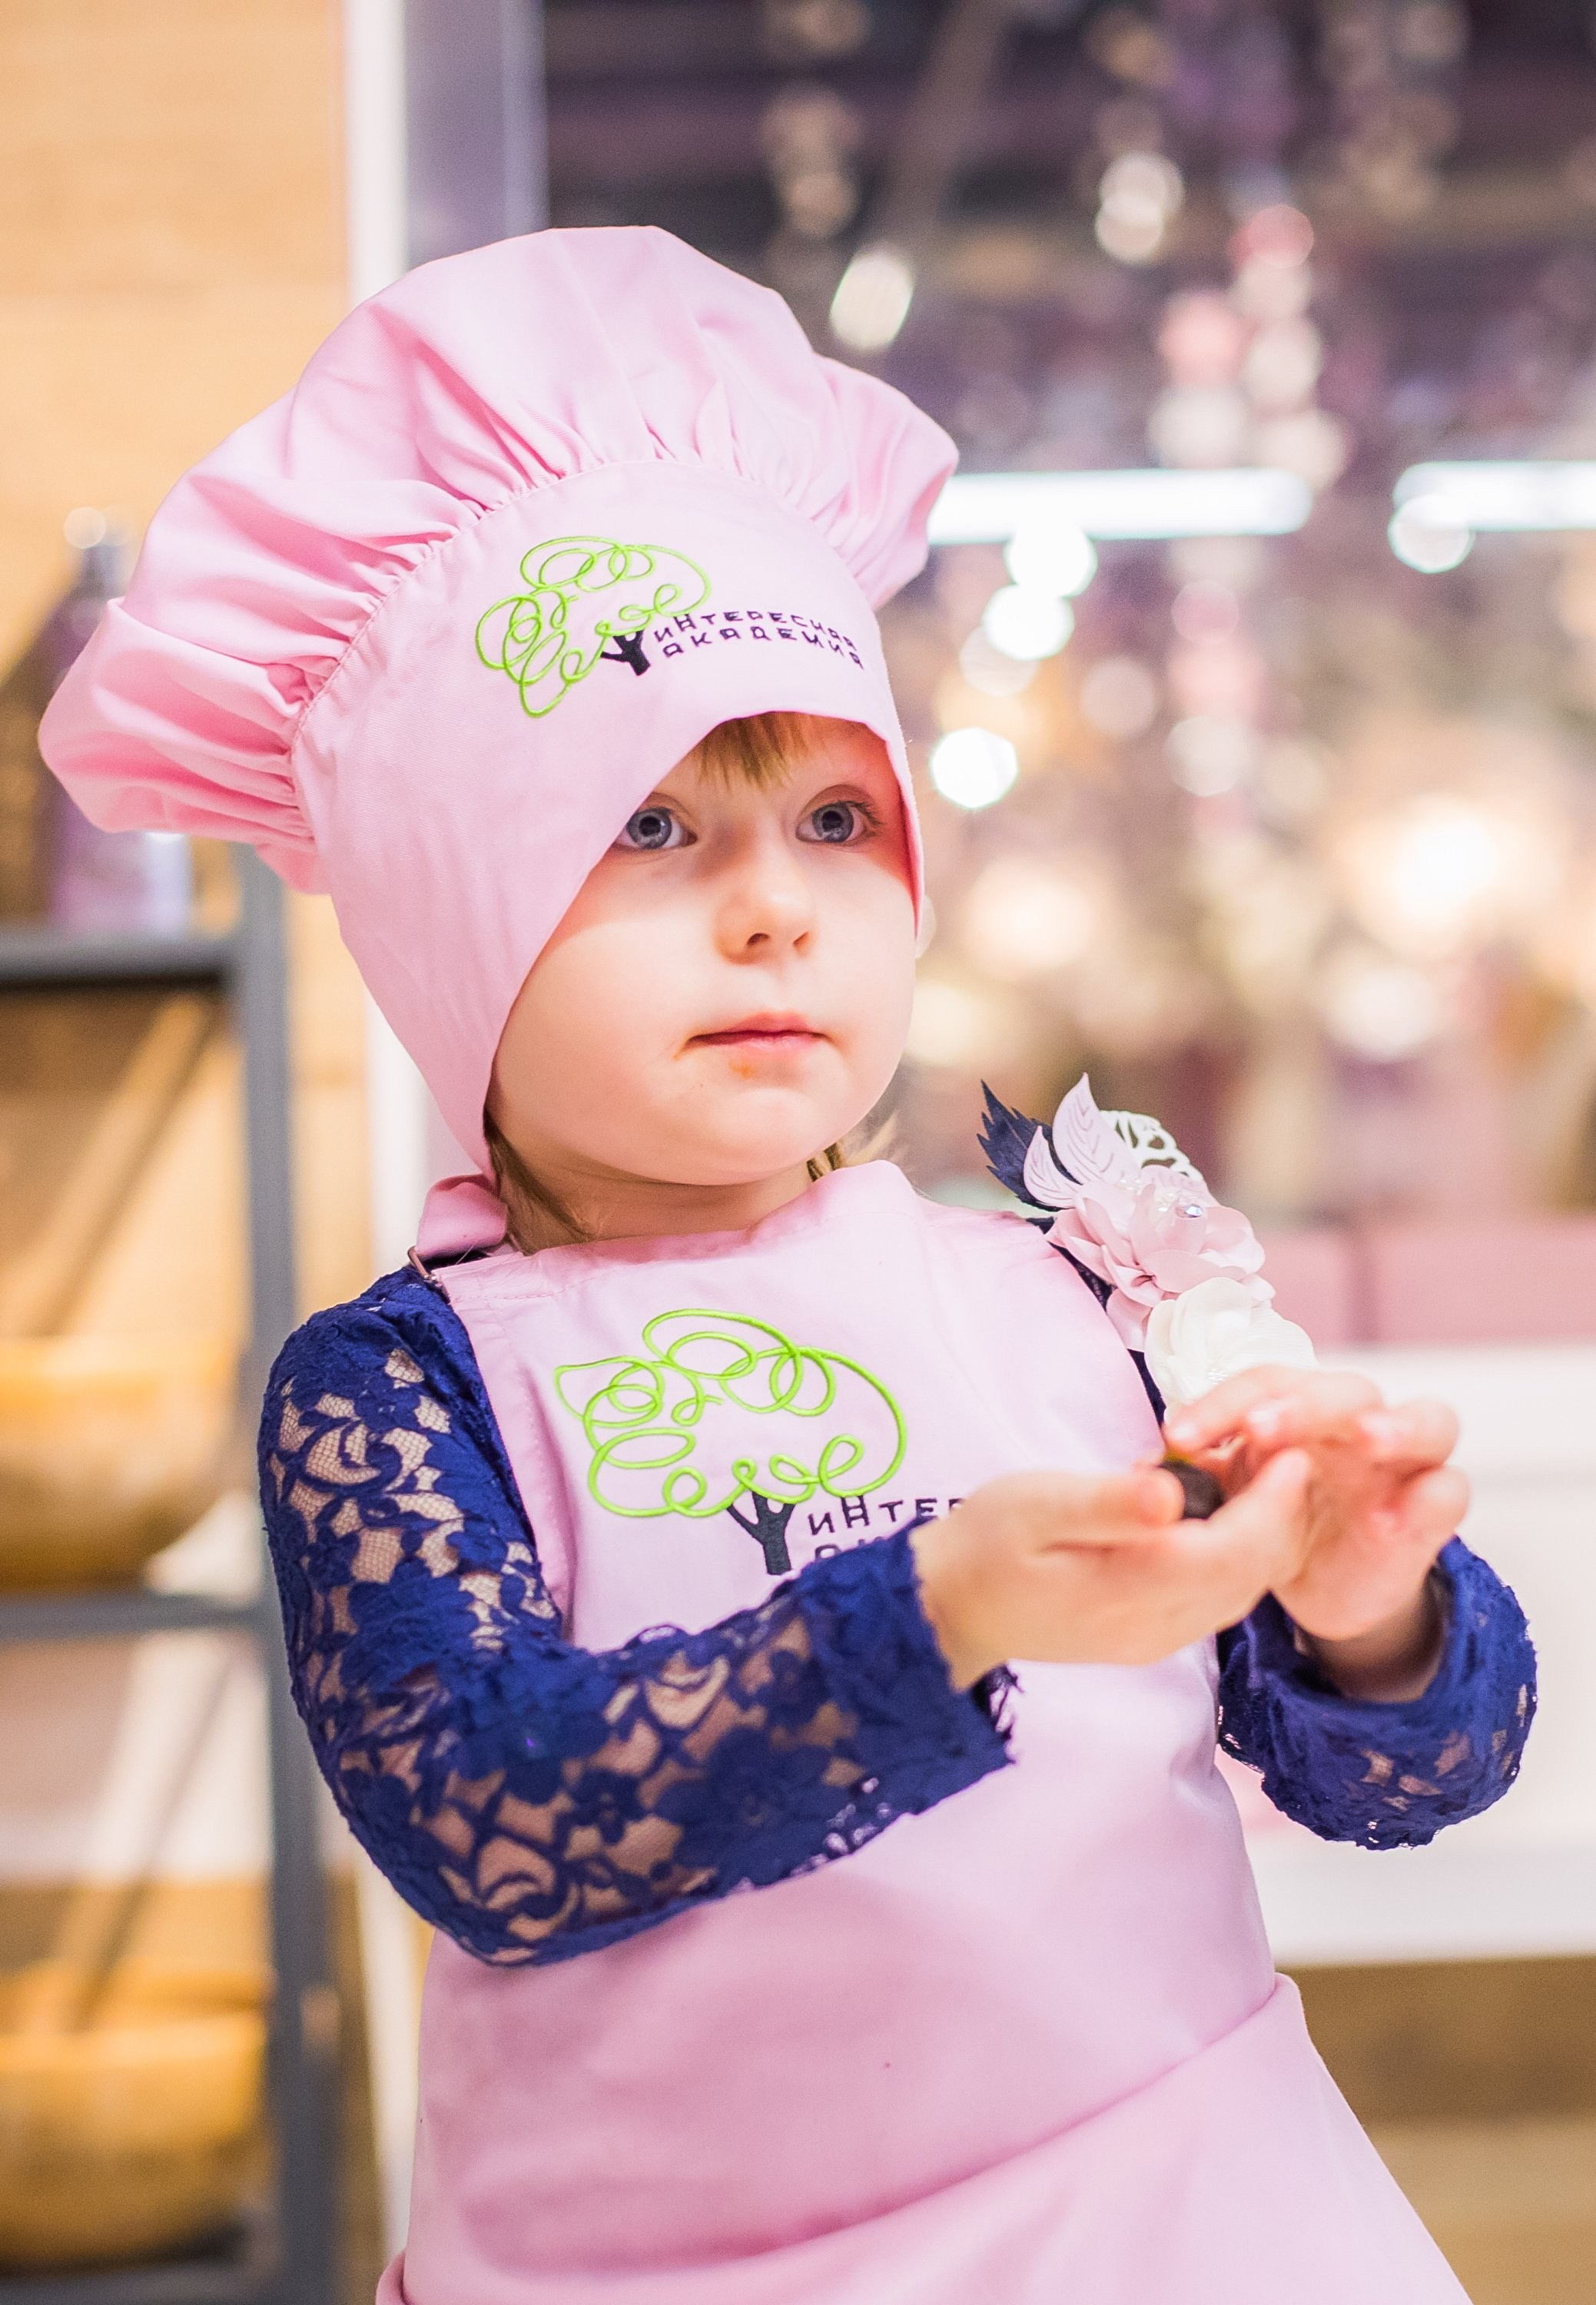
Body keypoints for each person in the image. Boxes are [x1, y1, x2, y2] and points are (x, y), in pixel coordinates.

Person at [41, 227, 1535, 2305]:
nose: (775, 912)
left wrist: (1368, 1617)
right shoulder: (398, 1390)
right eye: (648, 829)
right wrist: (942, 1605)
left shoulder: (1070, 1289)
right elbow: (497, 1822)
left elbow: (1403, 1785)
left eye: (839, 820)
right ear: (448, 913)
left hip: (1199, 2219)